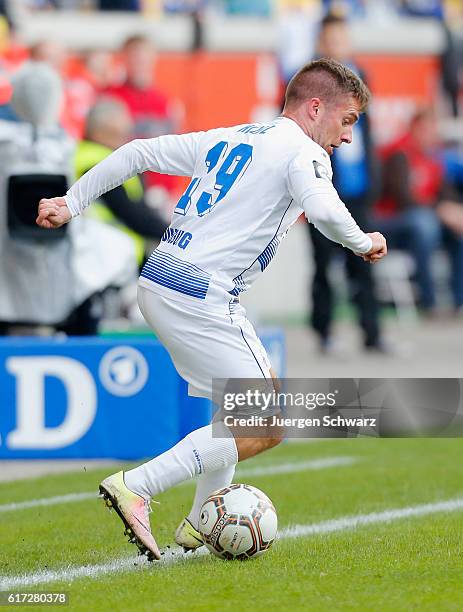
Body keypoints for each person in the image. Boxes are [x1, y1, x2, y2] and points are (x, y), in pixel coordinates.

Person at [36, 58, 387, 561]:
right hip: (201, 294)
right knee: (264, 425)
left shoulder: (234, 137)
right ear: (315, 108)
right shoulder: (304, 152)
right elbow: (326, 210)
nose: (348, 136)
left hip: (161, 281)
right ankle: (137, 485)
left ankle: (200, 523)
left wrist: (72, 202)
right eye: (347, 119)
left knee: (247, 396)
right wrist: (362, 240)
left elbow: (135, 152)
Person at [307, 12, 383, 352]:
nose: (337, 45)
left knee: (365, 259)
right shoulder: (310, 83)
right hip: (323, 184)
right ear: (321, 42)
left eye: (341, 38)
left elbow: (370, 131)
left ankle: (372, 334)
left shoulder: (361, 76)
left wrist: (373, 174)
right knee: (323, 262)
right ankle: (324, 332)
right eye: (330, 39)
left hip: (358, 185)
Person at [76, 98, 167, 266]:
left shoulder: (96, 156)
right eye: (120, 132)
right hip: (108, 259)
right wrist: (173, 234)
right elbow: (132, 214)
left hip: (111, 255)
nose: (127, 135)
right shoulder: (98, 162)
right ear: (100, 132)